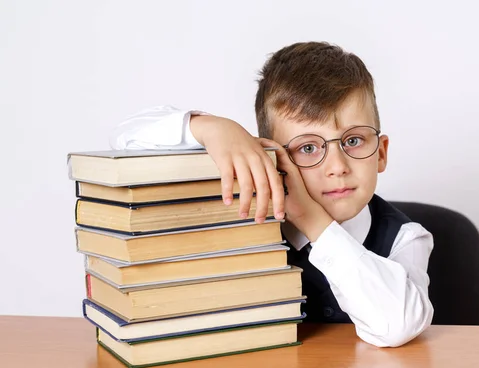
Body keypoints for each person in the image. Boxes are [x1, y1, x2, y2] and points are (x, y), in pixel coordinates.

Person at [111, 42, 434, 347]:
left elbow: (397, 326)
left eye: (353, 141)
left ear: (381, 153)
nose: (337, 167)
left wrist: (312, 221)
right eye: (308, 147)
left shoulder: (406, 239)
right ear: (273, 156)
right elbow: (124, 138)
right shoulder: (248, 212)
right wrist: (211, 128)